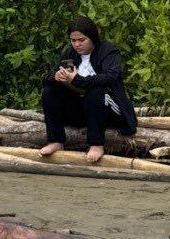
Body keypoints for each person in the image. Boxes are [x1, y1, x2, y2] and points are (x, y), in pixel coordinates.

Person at [39, 16, 137, 163]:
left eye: (82, 40)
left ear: (92, 37)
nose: (77, 45)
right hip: (81, 112)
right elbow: (47, 76)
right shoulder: (69, 53)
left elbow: (110, 77)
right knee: (49, 92)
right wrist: (56, 77)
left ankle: (96, 144)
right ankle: (55, 141)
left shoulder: (108, 50)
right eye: (73, 40)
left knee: (96, 91)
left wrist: (77, 80)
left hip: (109, 111)